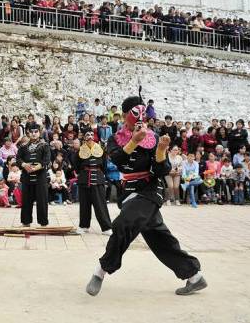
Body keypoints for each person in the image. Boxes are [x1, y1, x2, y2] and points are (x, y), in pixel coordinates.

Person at [86, 96, 205, 297]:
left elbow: (161, 170)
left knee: (124, 224)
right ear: (125, 115)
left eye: (143, 113)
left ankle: (101, 270)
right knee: (159, 237)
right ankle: (194, 276)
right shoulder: (115, 138)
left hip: (150, 188)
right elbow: (118, 160)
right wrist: (134, 141)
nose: (140, 118)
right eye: (134, 113)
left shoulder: (155, 137)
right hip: (129, 190)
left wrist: (160, 150)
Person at [71, 130, 112, 235]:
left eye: (91, 134)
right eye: (87, 134)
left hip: (98, 178)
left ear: (94, 137)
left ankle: (106, 227)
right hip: (84, 178)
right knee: (84, 204)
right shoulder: (80, 151)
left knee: (100, 204)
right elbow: (76, 165)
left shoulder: (101, 149)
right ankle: (84, 226)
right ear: (84, 137)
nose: (89, 136)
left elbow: (104, 166)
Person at [16, 122, 51, 227]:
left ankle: (43, 222)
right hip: (26, 177)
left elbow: (47, 159)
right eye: (31, 132)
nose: (34, 134)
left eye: (36, 132)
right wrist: (24, 164)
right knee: (26, 200)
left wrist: (36, 167)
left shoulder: (45, 146)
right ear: (28, 133)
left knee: (42, 201)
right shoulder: (23, 146)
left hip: (40, 177)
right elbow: (18, 158)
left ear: (39, 133)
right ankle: (26, 221)